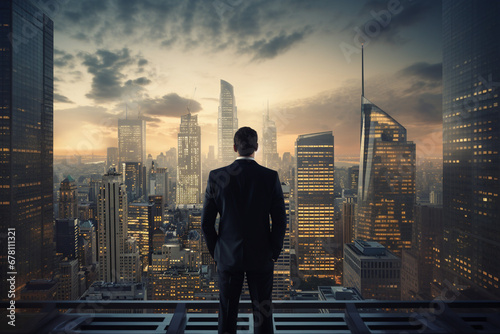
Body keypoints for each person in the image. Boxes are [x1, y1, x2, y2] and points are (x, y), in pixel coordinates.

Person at [201, 126, 287, 334]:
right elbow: (280, 220)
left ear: (234, 148)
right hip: (261, 256)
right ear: (256, 147)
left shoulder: (216, 177)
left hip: (228, 258)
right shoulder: (270, 177)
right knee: (263, 317)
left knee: (227, 314)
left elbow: (206, 223)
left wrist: (218, 252)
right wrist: (273, 252)